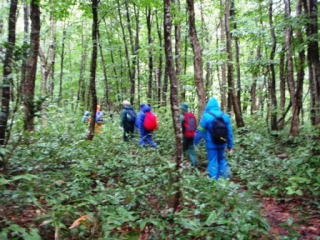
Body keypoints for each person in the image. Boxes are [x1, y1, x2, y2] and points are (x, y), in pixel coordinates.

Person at [194, 97, 234, 179]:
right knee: (222, 160)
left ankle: (213, 181)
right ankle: (224, 179)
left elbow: (200, 131)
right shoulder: (225, 116)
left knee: (212, 161)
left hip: (211, 144)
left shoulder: (206, 117)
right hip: (222, 143)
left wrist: (194, 142)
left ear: (208, 106)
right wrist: (230, 146)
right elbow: (229, 133)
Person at [180, 103, 198, 167]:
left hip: (185, 135)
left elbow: (180, 127)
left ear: (183, 109)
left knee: (183, 149)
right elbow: (195, 126)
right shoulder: (192, 116)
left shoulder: (182, 117)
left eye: (181, 109)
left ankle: (183, 162)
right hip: (192, 135)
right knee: (191, 148)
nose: (180, 110)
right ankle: (194, 163)